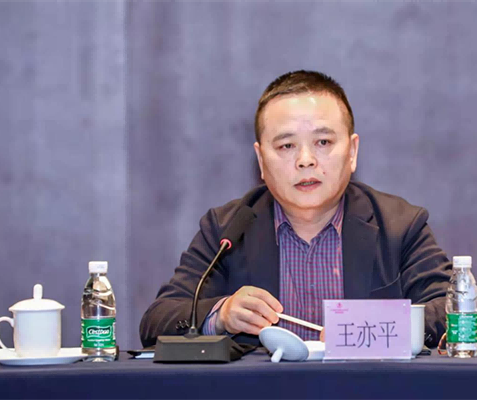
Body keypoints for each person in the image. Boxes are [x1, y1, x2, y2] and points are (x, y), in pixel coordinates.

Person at [140, 70, 452, 349]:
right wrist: (220, 315)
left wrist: (367, 326)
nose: (305, 160)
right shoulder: (227, 230)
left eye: (323, 142)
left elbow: (455, 314)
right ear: (261, 161)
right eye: (286, 146)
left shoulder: (400, 226)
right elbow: (157, 321)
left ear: (352, 152)